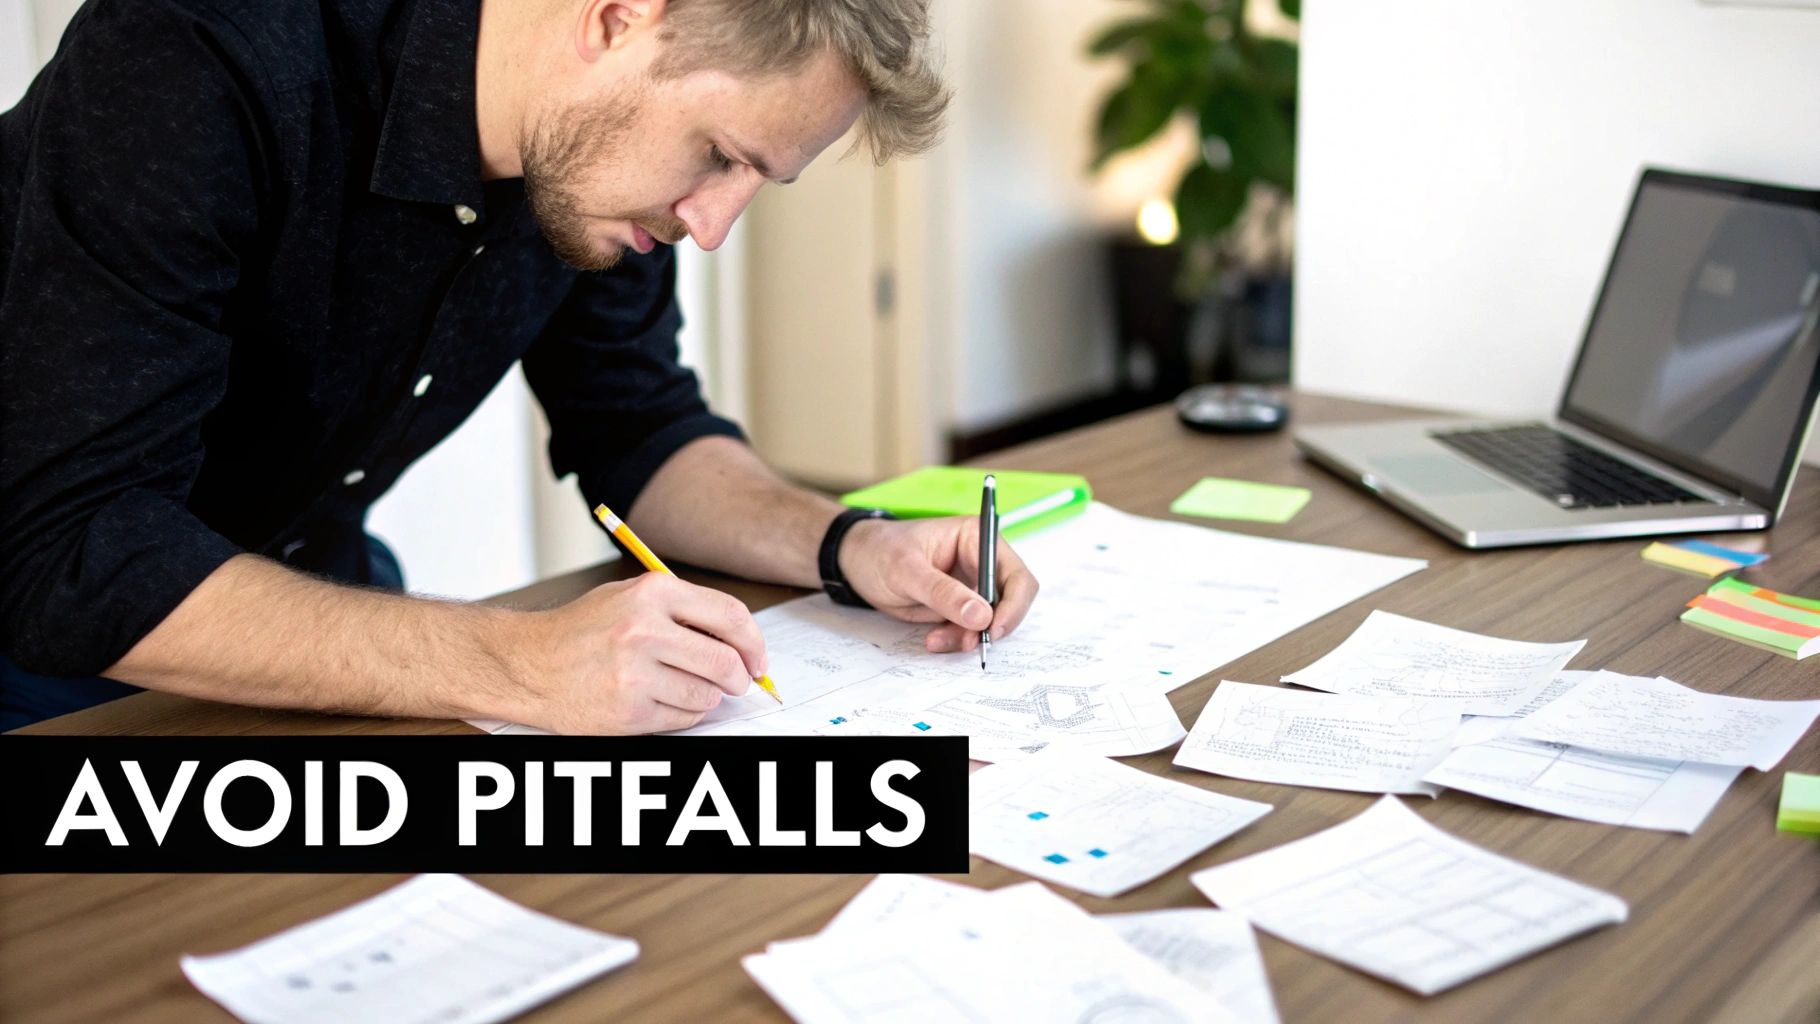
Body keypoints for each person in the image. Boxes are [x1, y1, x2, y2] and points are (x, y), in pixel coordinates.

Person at [0, 0, 1039, 733]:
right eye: (721, 154)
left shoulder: (596, 172)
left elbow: (638, 426)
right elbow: (72, 556)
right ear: (616, 17)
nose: (712, 224)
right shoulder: (195, 53)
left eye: (756, 180)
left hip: (296, 582)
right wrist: (524, 660)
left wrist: (853, 545)